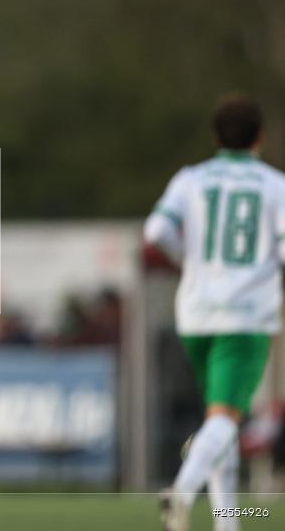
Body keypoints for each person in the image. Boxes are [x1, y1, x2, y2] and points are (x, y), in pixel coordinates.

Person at [144, 95, 285, 531]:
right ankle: (181, 492)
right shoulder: (274, 184)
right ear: (259, 136)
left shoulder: (191, 179)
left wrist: (187, 259)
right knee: (226, 418)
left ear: (216, 136)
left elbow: (156, 231)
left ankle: (228, 523)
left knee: (218, 419)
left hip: (196, 312)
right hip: (246, 315)